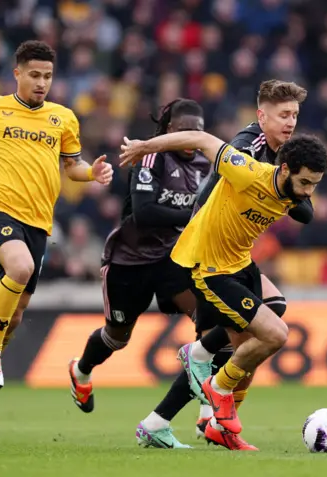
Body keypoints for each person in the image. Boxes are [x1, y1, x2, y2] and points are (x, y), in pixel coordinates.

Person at [0, 40, 113, 435]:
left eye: (47, 76)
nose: (41, 82)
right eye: (34, 75)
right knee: (20, 266)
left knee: (13, 318)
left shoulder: (63, 118)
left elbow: (73, 166)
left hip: (39, 224)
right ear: (17, 73)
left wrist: (92, 174)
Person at [120, 130, 327, 450]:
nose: (308, 192)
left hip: (240, 263)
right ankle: (217, 387)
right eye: (305, 183)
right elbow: (202, 138)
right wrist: (146, 146)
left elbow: (307, 211)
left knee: (269, 314)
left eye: (315, 184)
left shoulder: (292, 191)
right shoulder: (246, 170)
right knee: (274, 335)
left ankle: (206, 407)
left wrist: (302, 192)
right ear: (285, 169)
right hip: (208, 268)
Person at [68, 99, 211, 448]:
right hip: (129, 261)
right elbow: (145, 212)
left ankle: (207, 413)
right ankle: (81, 370)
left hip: (173, 259)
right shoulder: (152, 157)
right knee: (117, 337)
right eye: (183, 130)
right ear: (167, 131)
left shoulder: (206, 164)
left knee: (212, 327)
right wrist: (196, 217)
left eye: (197, 130)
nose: (191, 137)